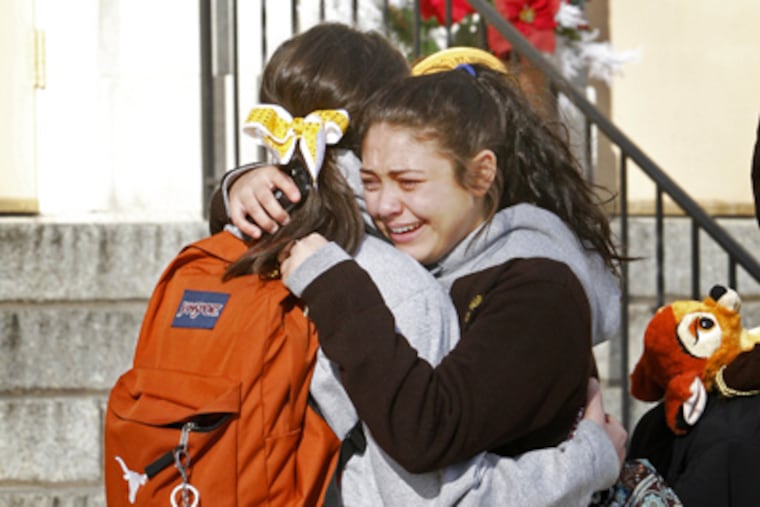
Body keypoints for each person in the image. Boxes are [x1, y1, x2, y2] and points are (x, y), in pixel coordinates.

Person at [213, 25, 626, 506]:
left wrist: (591, 459)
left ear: (479, 174)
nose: (387, 205)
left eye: (409, 182)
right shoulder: (396, 259)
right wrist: (238, 188)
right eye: (370, 181)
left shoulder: (534, 288)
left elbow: (429, 442)